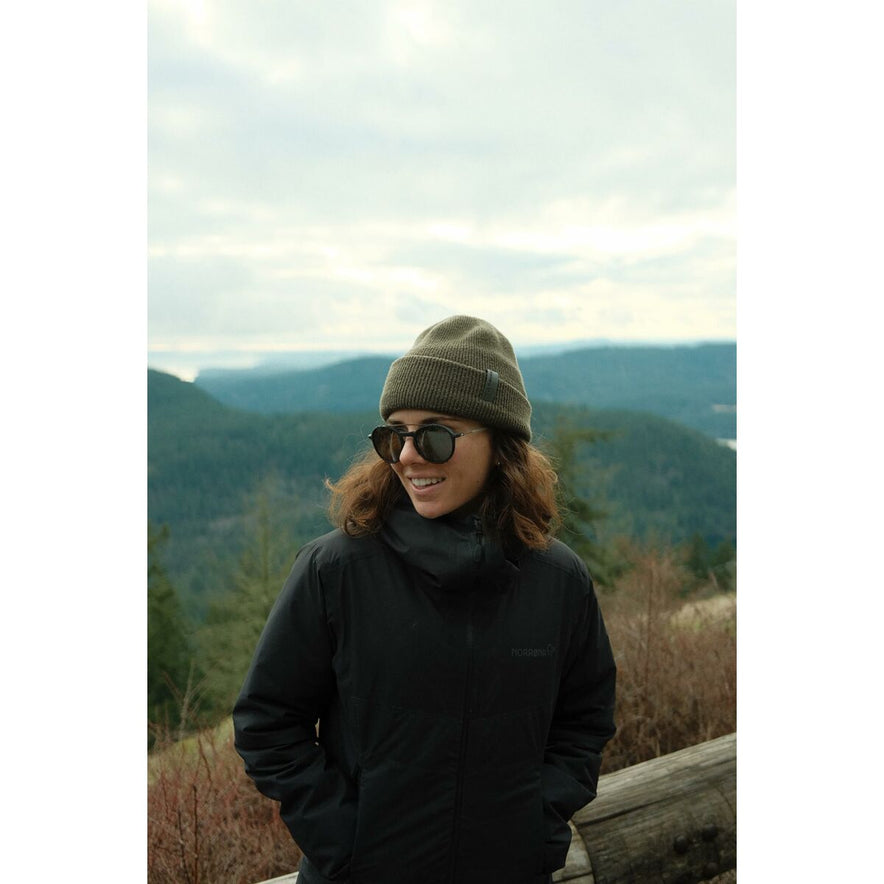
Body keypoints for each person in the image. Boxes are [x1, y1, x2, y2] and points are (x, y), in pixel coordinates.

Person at [233, 315, 617, 884]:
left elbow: (584, 721)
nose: (408, 456)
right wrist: (349, 846)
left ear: (501, 444)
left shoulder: (558, 581)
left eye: (435, 435)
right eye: (394, 435)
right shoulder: (335, 571)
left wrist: (534, 830)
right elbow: (266, 723)